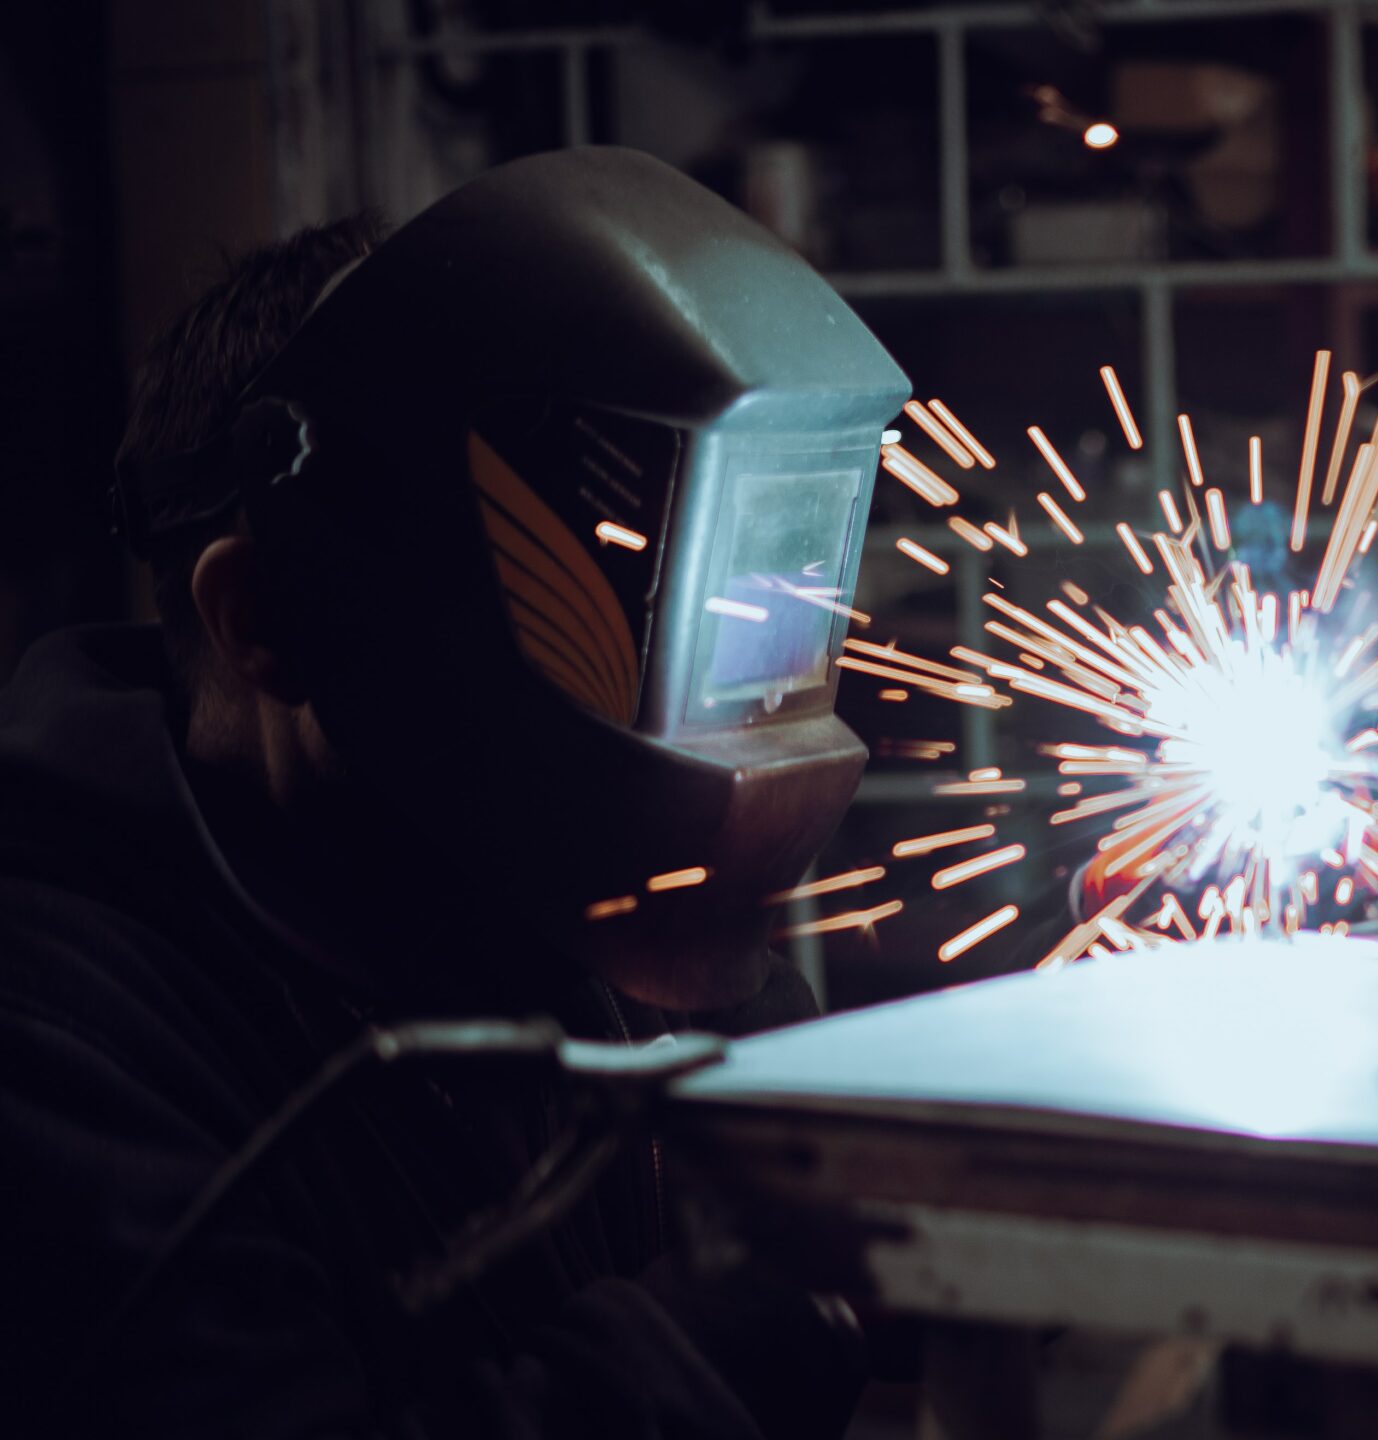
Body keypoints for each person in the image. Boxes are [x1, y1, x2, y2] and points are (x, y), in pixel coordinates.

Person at [0, 148, 909, 1437]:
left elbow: (850, 1202)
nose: (701, 691)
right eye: (610, 600)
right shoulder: (58, 1043)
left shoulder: (568, 906)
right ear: (271, 620)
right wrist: (775, 1316)